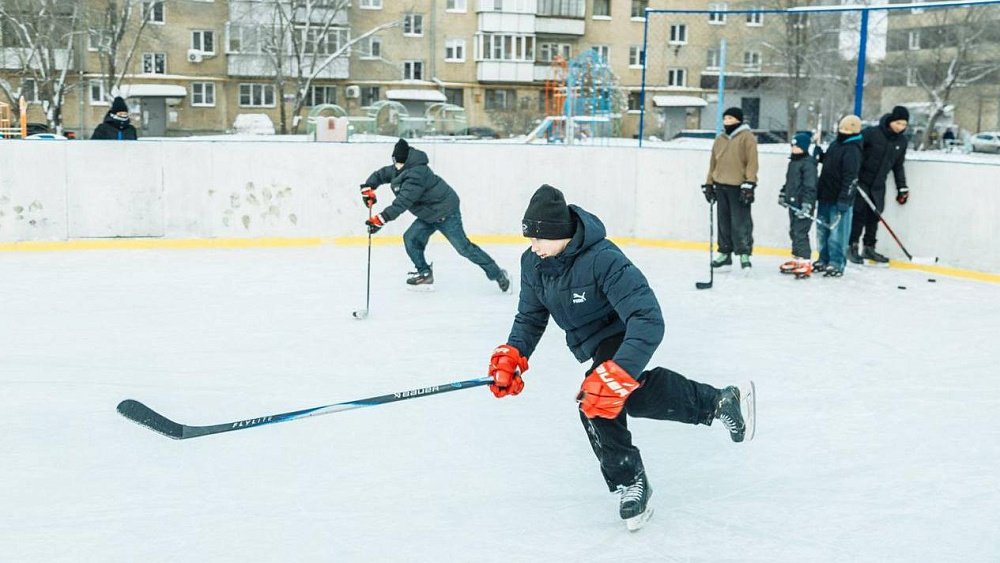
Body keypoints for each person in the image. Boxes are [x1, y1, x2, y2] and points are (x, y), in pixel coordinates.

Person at [486, 184, 755, 531]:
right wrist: (513, 353)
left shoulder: (603, 258)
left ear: (560, 233)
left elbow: (647, 318)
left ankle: (631, 482)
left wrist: (618, 372)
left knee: (596, 400)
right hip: (595, 343)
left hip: (623, 334)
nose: (532, 245)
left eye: (538, 237)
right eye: (529, 238)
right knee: (631, 395)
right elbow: (530, 317)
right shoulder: (534, 263)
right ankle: (717, 402)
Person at [361, 138, 509, 292]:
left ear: (406, 160)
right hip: (428, 214)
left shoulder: (417, 174)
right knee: (410, 238)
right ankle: (424, 273)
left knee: (464, 248)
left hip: (446, 212)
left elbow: (403, 202)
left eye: (398, 162)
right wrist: (368, 187)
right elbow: (382, 174)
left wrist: (381, 219)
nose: (396, 166)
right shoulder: (401, 167)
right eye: (395, 162)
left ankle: (498, 274)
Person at [848, 105, 909, 265]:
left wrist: (902, 187)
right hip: (861, 181)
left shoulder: (901, 142)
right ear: (891, 120)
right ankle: (851, 246)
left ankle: (869, 248)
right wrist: (853, 175)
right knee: (858, 214)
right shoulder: (872, 133)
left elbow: (898, 166)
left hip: (878, 184)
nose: (900, 128)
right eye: (898, 123)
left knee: (875, 216)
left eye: (904, 125)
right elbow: (855, 152)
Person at [701, 107, 759, 270]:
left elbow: (752, 162)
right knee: (723, 221)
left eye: (730, 118)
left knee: (741, 222)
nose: (726, 121)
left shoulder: (747, 138)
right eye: (725, 118)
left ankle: (744, 254)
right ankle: (725, 253)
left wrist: (750, 183)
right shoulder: (720, 139)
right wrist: (709, 183)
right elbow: (713, 163)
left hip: (738, 187)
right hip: (720, 185)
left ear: (738, 120)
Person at [814, 115, 863, 277]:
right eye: (842, 129)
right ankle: (823, 258)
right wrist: (820, 156)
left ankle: (836, 263)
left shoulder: (853, 150)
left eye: (848, 130)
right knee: (822, 231)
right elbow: (829, 163)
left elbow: (851, 178)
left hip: (839, 199)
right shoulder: (836, 145)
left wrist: (844, 199)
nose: (844, 132)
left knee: (837, 234)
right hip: (825, 195)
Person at [778, 132, 819, 278]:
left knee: (801, 233)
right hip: (793, 204)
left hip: (803, 205)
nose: (793, 149)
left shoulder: (808, 164)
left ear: (804, 147)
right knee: (793, 231)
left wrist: (807, 204)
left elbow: (810, 186)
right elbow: (789, 182)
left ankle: (805, 260)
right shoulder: (793, 162)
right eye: (792, 146)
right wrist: (783, 194)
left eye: (797, 146)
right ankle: (797, 258)